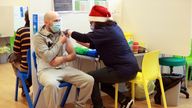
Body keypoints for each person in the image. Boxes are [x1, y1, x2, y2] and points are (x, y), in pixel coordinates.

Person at [65, 5, 139, 108]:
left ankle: (98, 106)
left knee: (90, 78)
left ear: (96, 21)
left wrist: (69, 31)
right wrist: (79, 41)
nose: (91, 25)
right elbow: (94, 44)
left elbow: (85, 37)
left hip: (122, 70)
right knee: (103, 83)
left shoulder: (105, 31)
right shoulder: (113, 28)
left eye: (91, 23)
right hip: (130, 68)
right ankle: (125, 100)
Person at [32, 11, 94, 108]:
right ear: (46, 23)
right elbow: (48, 57)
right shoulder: (38, 37)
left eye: (59, 20)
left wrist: (61, 59)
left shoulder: (61, 33)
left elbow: (73, 55)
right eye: (56, 21)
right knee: (51, 85)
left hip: (64, 68)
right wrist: (60, 42)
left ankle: (79, 105)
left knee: (89, 80)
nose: (59, 23)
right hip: (46, 70)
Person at [10, 10, 31, 96]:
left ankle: (24, 84)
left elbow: (16, 51)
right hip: (39, 66)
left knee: (11, 59)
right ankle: (27, 82)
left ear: (25, 19)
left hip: (26, 67)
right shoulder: (42, 30)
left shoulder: (21, 31)